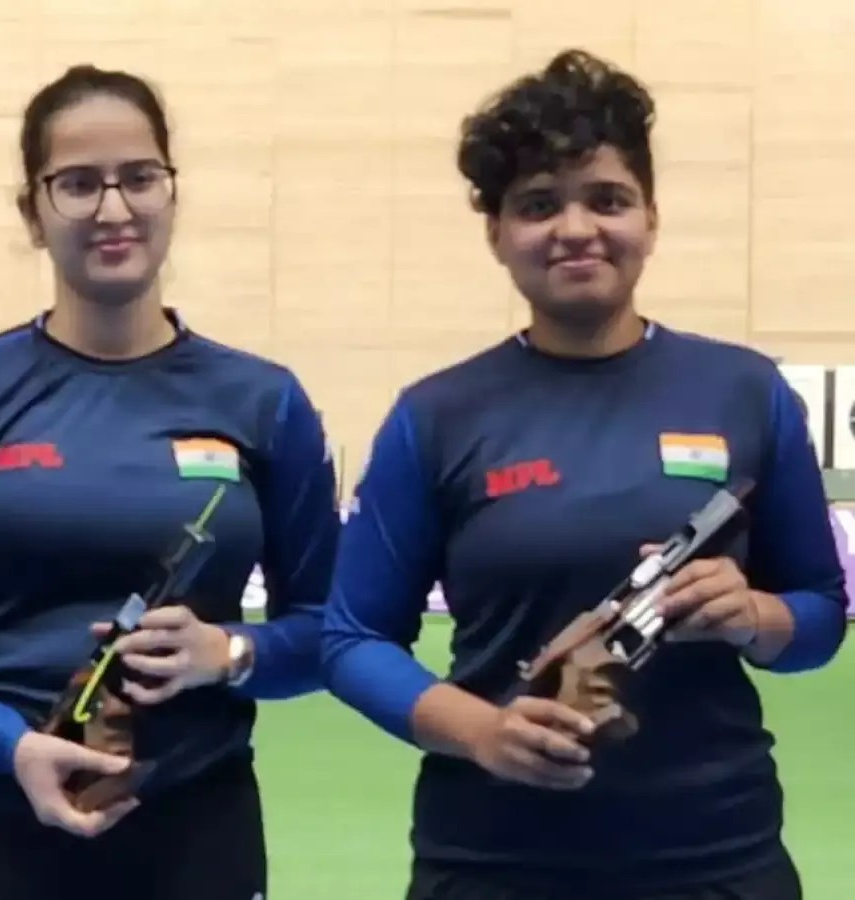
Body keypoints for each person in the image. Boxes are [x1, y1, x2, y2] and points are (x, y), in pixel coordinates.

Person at [321, 48, 848, 900]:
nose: (575, 228)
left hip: (716, 859)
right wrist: (482, 731)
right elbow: (352, 640)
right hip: (493, 864)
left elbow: (818, 617)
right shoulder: (436, 415)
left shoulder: (748, 392)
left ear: (651, 217)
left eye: (607, 198)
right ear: (496, 233)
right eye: (538, 204)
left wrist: (754, 617)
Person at [0, 64, 339, 900]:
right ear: (32, 213)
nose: (113, 209)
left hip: (197, 830)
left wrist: (231, 653)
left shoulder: (265, 400)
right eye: (77, 184)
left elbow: (333, 632)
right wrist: (7, 745)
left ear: (172, 193)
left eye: (139, 178)